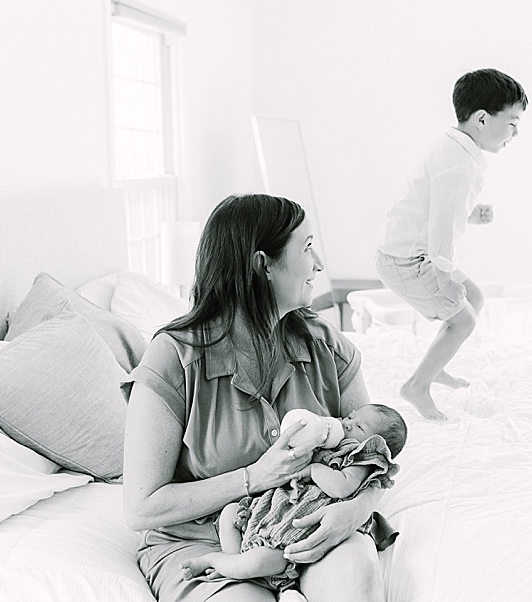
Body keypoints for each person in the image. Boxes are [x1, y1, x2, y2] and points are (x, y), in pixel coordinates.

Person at [123, 193, 396, 602]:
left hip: (307, 524)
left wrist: (355, 511)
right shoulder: (174, 357)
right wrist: (254, 478)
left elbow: (374, 455)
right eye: (305, 248)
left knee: (356, 569)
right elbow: (141, 507)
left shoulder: (325, 345)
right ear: (262, 264)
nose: (319, 263)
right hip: (204, 545)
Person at [375, 68, 528, 421]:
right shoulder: (459, 163)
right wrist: (443, 276)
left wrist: (471, 214)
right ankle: (417, 386)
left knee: (474, 298)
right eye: (512, 123)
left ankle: (434, 365)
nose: (516, 133)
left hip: (417, 250)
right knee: (463, 319)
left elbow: (438, 205)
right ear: (482, 119)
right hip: (408, 259)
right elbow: (441, 228)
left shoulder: (457, 148)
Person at [181, 405, 407, 598]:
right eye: (350, 417)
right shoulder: (329, 442)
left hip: (290, 531)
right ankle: (233, 562)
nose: (347, 423)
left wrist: (314, 469)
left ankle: (216, 561)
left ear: (377, 445)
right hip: (274, 508)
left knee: (258, 562)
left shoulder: (360, 458)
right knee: (230, 512)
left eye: (359, 427)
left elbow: (342, 486)